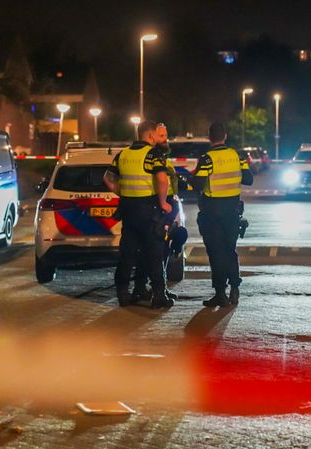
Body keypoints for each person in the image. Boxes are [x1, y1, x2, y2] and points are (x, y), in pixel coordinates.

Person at [103, 120, 174, 308]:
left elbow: (107, 178)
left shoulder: (123, 154)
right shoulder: (153, 154)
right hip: (149, 211)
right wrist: (163, 203)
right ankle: (159, 295)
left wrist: (121, 192)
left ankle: (123, 293)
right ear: (150, 136)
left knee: (127, 254)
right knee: (154, 253)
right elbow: (162, 179)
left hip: (128, 209)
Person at [191, 121, 253, 307]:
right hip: (233, 212)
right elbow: (249, 179)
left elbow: (198, 184)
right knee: (230, 251)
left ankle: (220, 294)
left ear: (210, 138)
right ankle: (235, 289)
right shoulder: (237, 156)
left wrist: (191, 177)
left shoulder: (207, 159)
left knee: (216, 253)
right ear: (225, 135)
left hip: (212, 213)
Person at [132, 122, 182, 303]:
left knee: (160, 251)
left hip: (166, 210)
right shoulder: (153, 158)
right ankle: (155, 292)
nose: (165, 139)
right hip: (158, 212)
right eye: (161, 136)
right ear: (152, 137)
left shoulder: (163, 159)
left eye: (166, 136)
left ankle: (146, 288)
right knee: (154, 252)